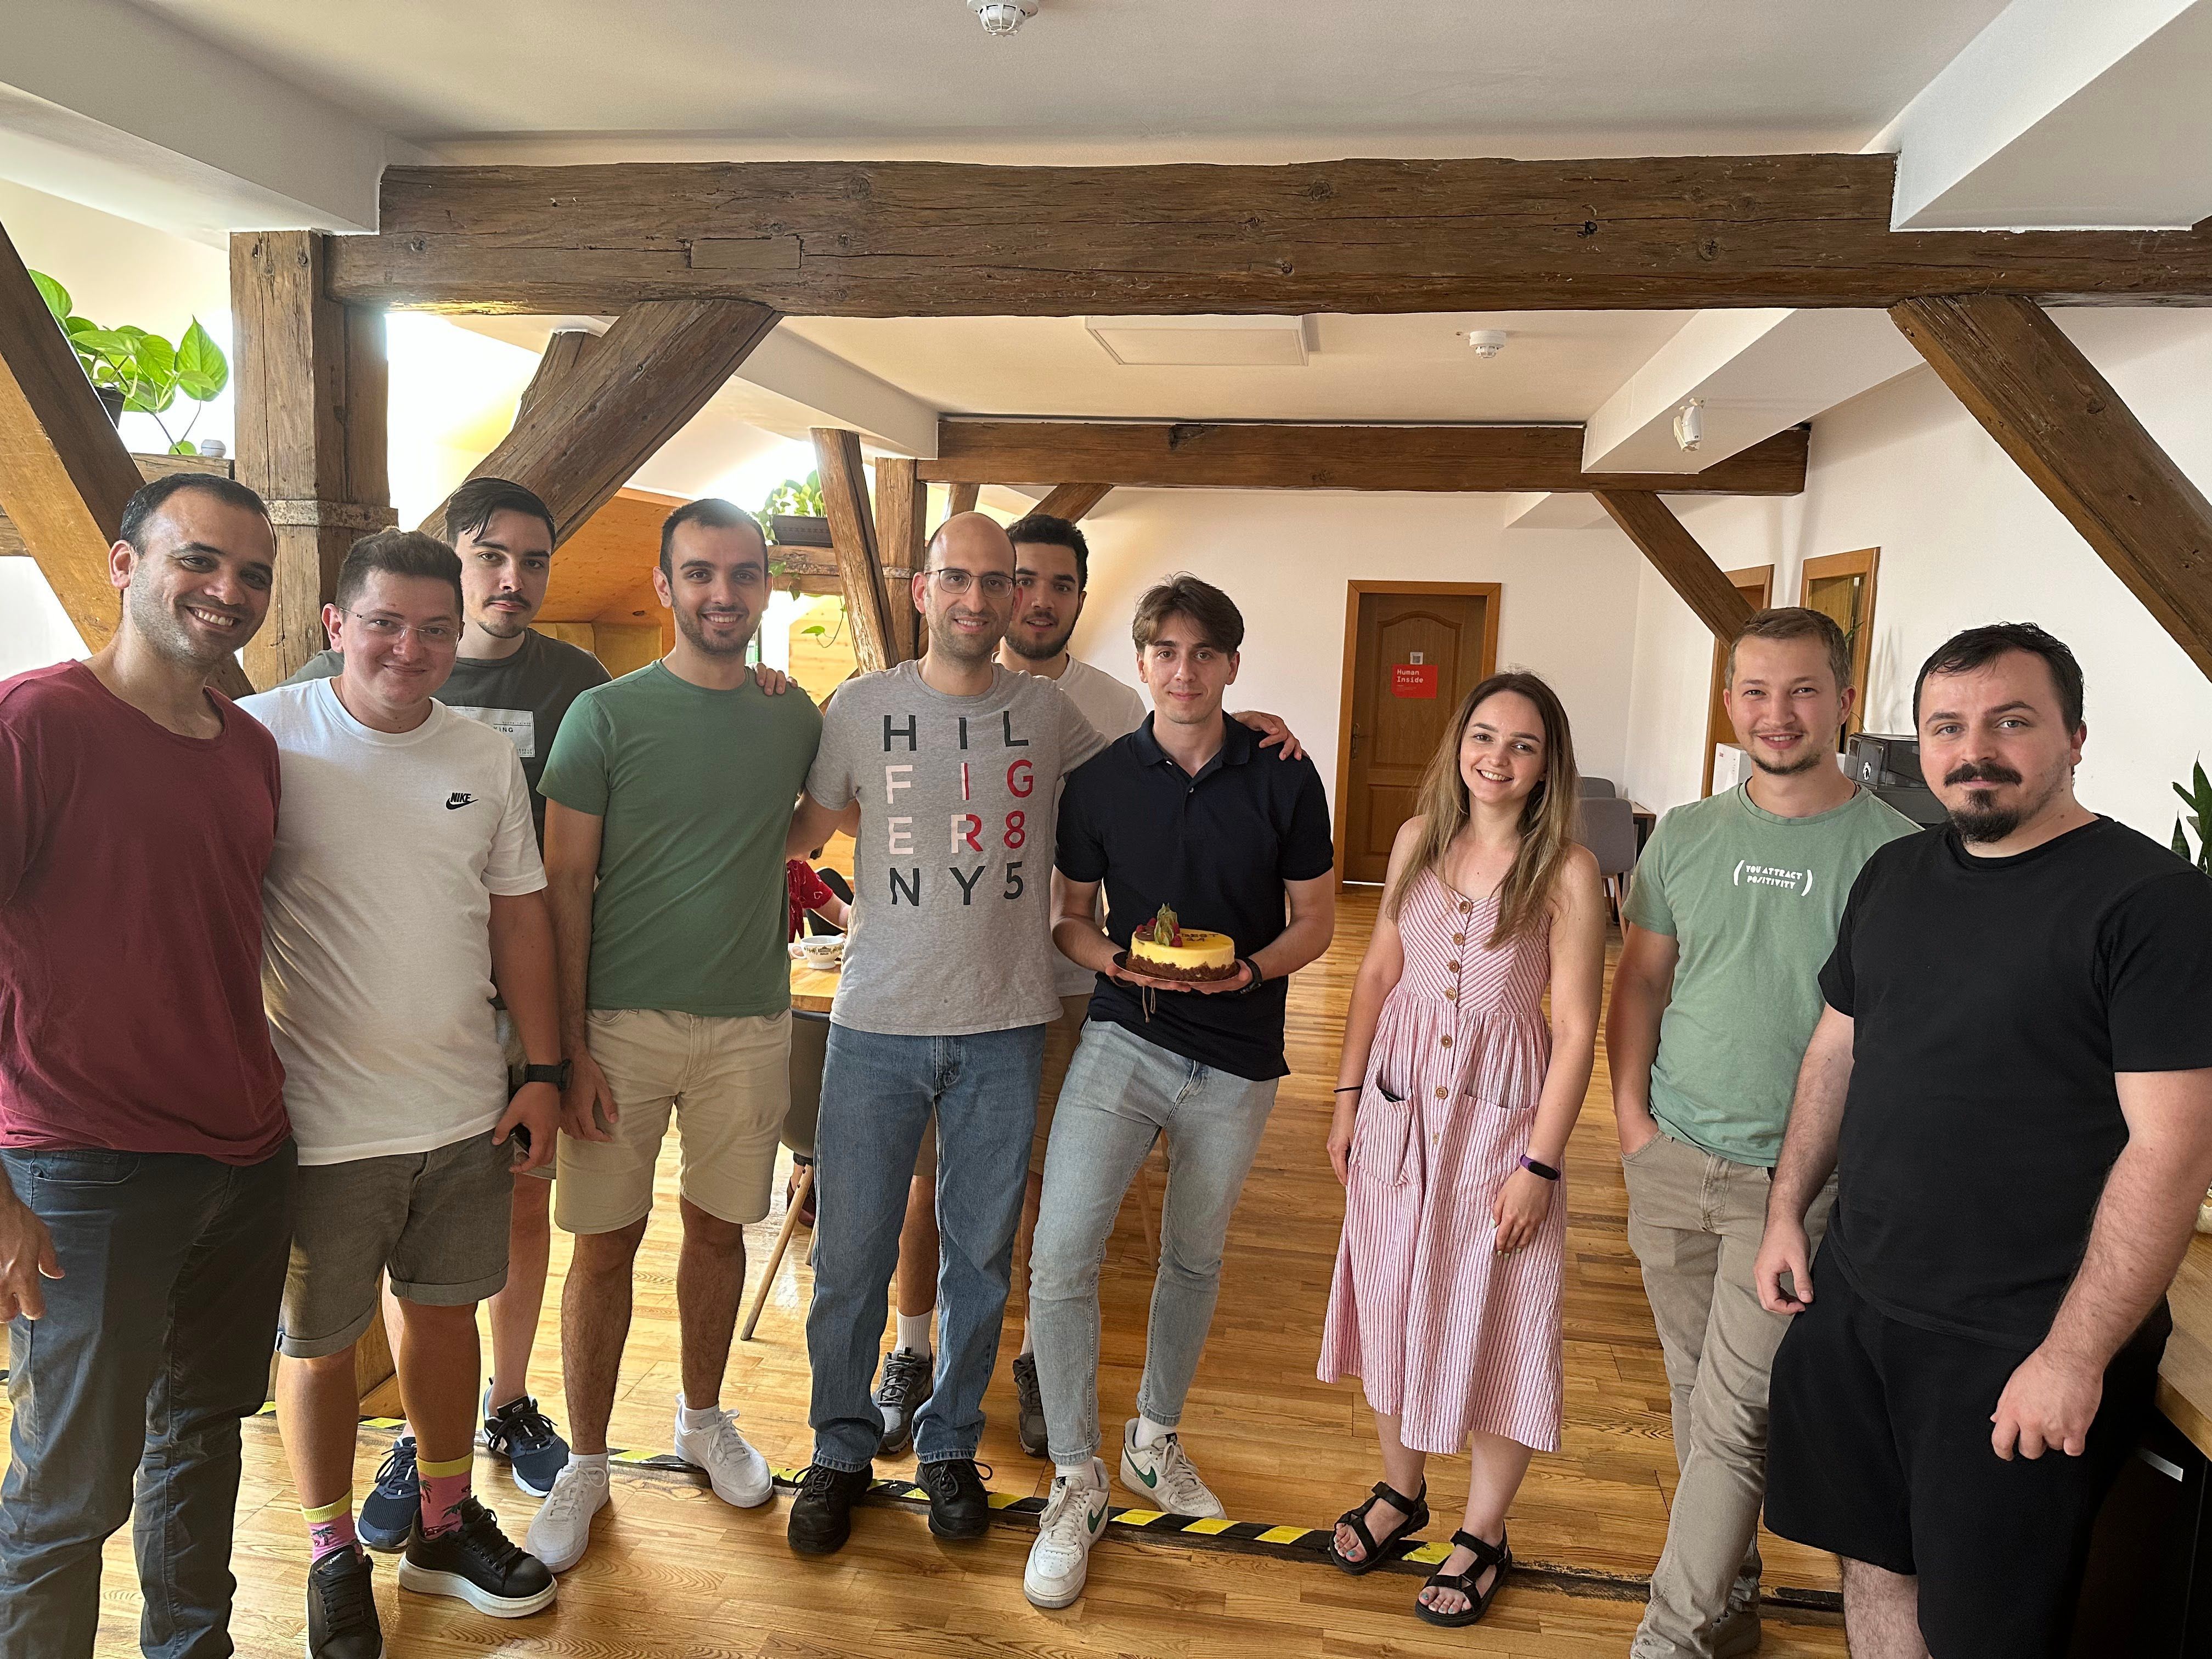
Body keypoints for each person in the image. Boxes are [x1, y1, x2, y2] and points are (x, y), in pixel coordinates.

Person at [1756, 624, 2212, 1659]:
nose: (1975, 752)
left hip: (2018, 1342)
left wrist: (2073, 1356)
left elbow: (2173, 1152)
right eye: (1946, 727)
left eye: (2011, 722)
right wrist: (1788, 1211)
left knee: (1982, 1630)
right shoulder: (1895, 874)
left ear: (2075, 737)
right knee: (1874, 1564)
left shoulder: (2154, 907)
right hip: (1861, 1301)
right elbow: (1836, 1051)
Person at [244, 530, 561, 1655]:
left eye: (435, 629)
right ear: (337, 623)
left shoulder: (481, 755)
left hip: (464, 1109)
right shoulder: (263, 737)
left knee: (444, 1316)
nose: (409, 648)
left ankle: (440, 1521)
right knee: (319, 1345)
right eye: (384, 623)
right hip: (317, 1122)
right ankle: (331, 1551)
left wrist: (542, 1072)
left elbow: (519, 917)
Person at [0, 474, 294, 1659]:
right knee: (68, 1492)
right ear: (125, 566)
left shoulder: (252, 749)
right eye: (198, 560)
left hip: (247, 1157)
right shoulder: (35, 723)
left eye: (253, 573)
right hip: (85, 1165)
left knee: (203, 1438)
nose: (228, 591)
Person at [781, 511, 1111, 1555]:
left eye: (996, 581)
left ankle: (950, 1445)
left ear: (1016, 597)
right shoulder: (859, 707)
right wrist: (748, 715)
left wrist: (1248, 729)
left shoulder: (1048, 714)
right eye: (956, 578)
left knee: (980, 1258)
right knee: (850, 1256)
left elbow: (1154, 774)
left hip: (1007, 1027)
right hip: (875, 1024)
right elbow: (800, 828)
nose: (977, 597)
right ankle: (839, 1448)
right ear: (923, 591)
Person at [287, 477, 608, 1534]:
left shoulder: (574, 685)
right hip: (356, 1038)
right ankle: (418, 1449)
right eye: (491, 557)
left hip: (512, 1013)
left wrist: (555, 1054)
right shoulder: (302, 705)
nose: (513, 579)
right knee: (385, 1248)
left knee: (501, 1227)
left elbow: (554, 883)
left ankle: (500, 1408)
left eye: (535, 560)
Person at [1608, 607, 1917, 1659]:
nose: (1776, 713)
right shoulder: (1686, 835)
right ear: (1730, 700)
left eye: (1801, 691)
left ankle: (1673, 1636)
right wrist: (1634, 1124)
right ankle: (1732, 1596)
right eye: (1754, 691)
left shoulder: (1898, 856)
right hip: (1670, 1158)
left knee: (1737, 1414)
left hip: (1793, 1187)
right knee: (1695, 1392)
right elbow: (1642, 981)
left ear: (1844, 701)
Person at [1022, 575, 1336, 1609]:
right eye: (1166, 650)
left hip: (1238, 1056)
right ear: (1143, 661)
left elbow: (1317, 921)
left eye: (1205, 652)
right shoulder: (1103, 782)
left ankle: (1154, 1438)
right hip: (1126, 1038)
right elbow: (1069, 916)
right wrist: (1114, 961)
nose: (1184, 670)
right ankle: (1076, 1475)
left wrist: (1247, 972)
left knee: (1193, 1258)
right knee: (1061, 1256)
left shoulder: (1285, 774)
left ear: (1233, 665)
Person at [524, 500, 820, 1575]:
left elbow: (801, 827)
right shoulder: (604, 718)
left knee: (719, 1231)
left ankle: (701, 1419)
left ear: (766, 587)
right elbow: (564, 882)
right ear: (664, 585)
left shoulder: (793, 715)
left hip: (749, 1022)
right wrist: (568, 1050)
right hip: (620, 1028)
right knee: (603, 1244)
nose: (722, 593)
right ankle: (586, 1461)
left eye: (743, 574)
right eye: (700, 573)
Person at [1313, 672, 1604, 1628]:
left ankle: (1484, 1531)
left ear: (1547, 764)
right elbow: (1377, 977)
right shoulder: (1416, 842)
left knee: (1499, 1316)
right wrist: (1348, 1099)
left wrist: (1540, 1166)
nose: (1498, 758)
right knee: (1390, 1295)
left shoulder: (1566, 870)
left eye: (1523, 744)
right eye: (1484, 736)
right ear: (1459, 743)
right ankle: (1402, 1492)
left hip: (1500, 1128)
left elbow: (1575, 1029)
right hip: (1399, 1112)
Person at [871, 511, 1148, 1460]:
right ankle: (911, 1349)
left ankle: (1031, 1358)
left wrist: (1252, 728)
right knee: (927, 1181)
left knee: (1036, 1187)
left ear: (1079, 597)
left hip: (1061, 983)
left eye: (1058, 585)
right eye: (1018, 578)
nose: (1034, 599)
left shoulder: (1111, 704)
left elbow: (1172, 777)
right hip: (943, 977)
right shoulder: (922, 693)